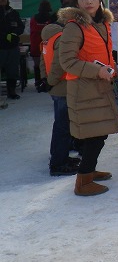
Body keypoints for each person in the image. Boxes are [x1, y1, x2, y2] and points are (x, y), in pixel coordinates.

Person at [58, 0, 118, 196]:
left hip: (100, 85)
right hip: (84, 88)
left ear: (99, 0)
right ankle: (83, 181)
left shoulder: (102, 23)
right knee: (94, 135)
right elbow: (67, 61)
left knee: (98, 133)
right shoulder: (74, 27)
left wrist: (111, 68)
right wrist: (97, 70)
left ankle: (89, 170)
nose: (88, 1)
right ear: (76, 3)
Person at [40, 20, 80, 176]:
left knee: (60, 124)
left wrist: (46, 81)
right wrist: (51, 81)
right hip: (63, 86)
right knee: (63, 126)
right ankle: (59, 163)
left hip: (55, 88)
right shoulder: (62, 38)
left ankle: (59, 156)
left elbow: (43, 62)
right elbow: (60, 63)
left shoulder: (47, 39)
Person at [0, 0, 25, 100]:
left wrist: (14, 33)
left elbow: (21, 27)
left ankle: (12, 91)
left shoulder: (13, 12)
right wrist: (4, 35)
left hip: (12, 47)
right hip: (1, 47)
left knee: (12, 70)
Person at [30, 0, 54, 88]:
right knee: (48, 64)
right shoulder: (52, 19)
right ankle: (46, 82)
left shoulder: (33, 18)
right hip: (47, 44)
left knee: (37, 65)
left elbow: (32, 30)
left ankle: (37, 82)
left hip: (35, 44)